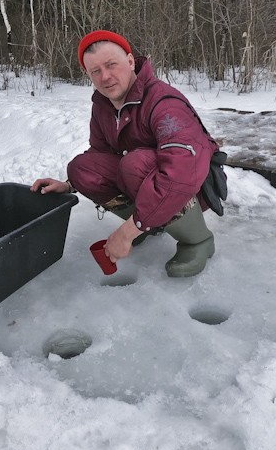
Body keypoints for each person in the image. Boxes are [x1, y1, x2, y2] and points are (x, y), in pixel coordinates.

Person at [31, 30, 225, 278]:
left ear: (131, 61)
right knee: (83, 169)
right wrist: (69, 185)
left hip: (194, 187)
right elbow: (101, 155)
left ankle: (197, 240)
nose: (106, 77)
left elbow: (181, 174)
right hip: (150, 185)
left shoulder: (164, 102)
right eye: (96, 71)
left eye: (111, 65)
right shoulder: (102, 106)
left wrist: (128, 231)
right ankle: (148, 224)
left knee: (135, 164)